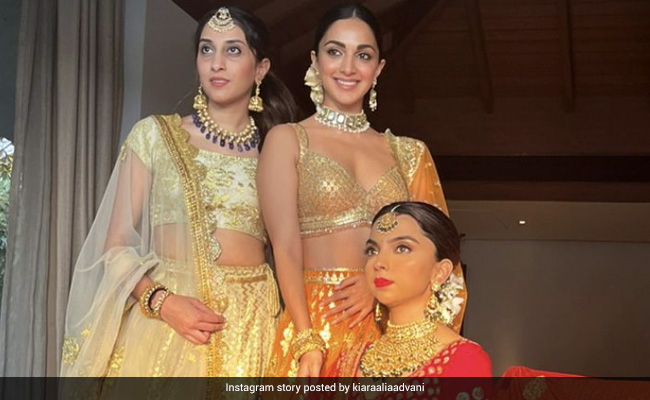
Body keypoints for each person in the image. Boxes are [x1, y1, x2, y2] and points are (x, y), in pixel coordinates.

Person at [61, 6, 296, 377]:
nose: (216, 63)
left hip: (252, 328)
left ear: (260, 68)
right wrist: (162, 302)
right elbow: (114, 244)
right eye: (207, 49)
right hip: (167, 322)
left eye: (233, 50)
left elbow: (295, 247)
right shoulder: (155, 136)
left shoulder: (278, 150)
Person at [258, 3, 467, 378]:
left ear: (379, 68)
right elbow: (284, 247)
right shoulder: (287, 140)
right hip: (314, 324)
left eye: (363, 55)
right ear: (315, 60)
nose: (348, 67)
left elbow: (437, 255)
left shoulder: (409, 153)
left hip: (391, 327)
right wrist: (306, 339)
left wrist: (376, 286)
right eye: (335, 51)